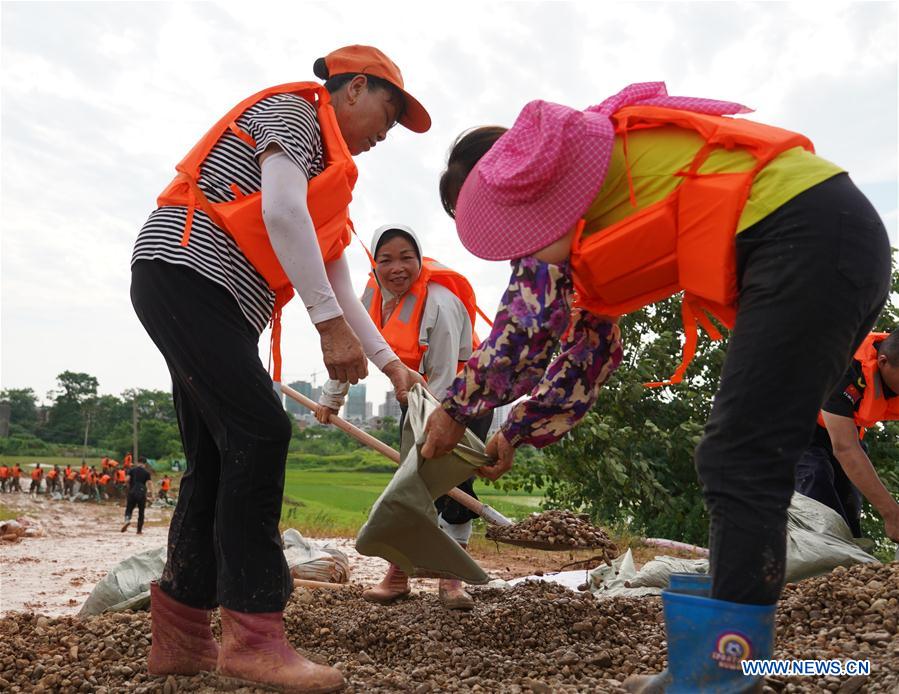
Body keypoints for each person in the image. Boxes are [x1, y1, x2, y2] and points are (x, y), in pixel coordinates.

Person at [421, 82, 891, 692]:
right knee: (749, 454)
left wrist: (457, 409)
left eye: (478, 212)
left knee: (739, 455)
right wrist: (517, 429)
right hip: (833, 236)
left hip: (802, 236)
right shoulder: (579, 195)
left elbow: (524, 332)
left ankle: (717, 675)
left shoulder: (544, 186)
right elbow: (590, 350)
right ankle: (725, 668)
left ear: (505, 177)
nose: (498, 239)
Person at [130, 45, 429, 691]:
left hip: (208, 297)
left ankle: (180, 635)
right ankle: (253, 635)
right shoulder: (295, 113)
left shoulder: (329, 174)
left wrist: (390, 365)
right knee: (260, 434)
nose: (388, 129)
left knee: (216, 457)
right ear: (352, 90)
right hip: (185, 271)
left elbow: (340, 282)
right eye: (388, 108)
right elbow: (281, 213)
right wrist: (325, 328)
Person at [316, 224, 492, 610]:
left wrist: (441, 427)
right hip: (414, 398)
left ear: (419, 259)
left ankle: (452, 580)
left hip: (464, 401)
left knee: (452, 486)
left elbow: (446, 377)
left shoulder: (441, 303)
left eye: (407, 258)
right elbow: (349, 348)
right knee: (407, 487)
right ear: (374, 264)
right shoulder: (370, 295)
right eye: (386, 259)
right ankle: (398, 576)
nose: (397, 268)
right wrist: (332, 399)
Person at [796, 331, 899, 540]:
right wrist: (892, 513)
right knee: (817, 480)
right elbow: (845, 448)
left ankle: (849, 566)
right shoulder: (842, 365)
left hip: (843, 430)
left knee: (849, 506)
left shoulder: (892, 373)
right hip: (795, 424)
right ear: (883, 362)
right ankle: (822, 561)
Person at [121, 457, 153, 534]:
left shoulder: (132, 470)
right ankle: (139, 531)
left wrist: (126, 484)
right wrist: (151, 494)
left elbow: (127, 480)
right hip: (141, 494)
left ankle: (127, 520)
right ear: (145, 464)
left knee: (129, 509)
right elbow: (149, 483)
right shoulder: (146, 473)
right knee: (141, 512)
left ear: (138, 462)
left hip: (132, 492)